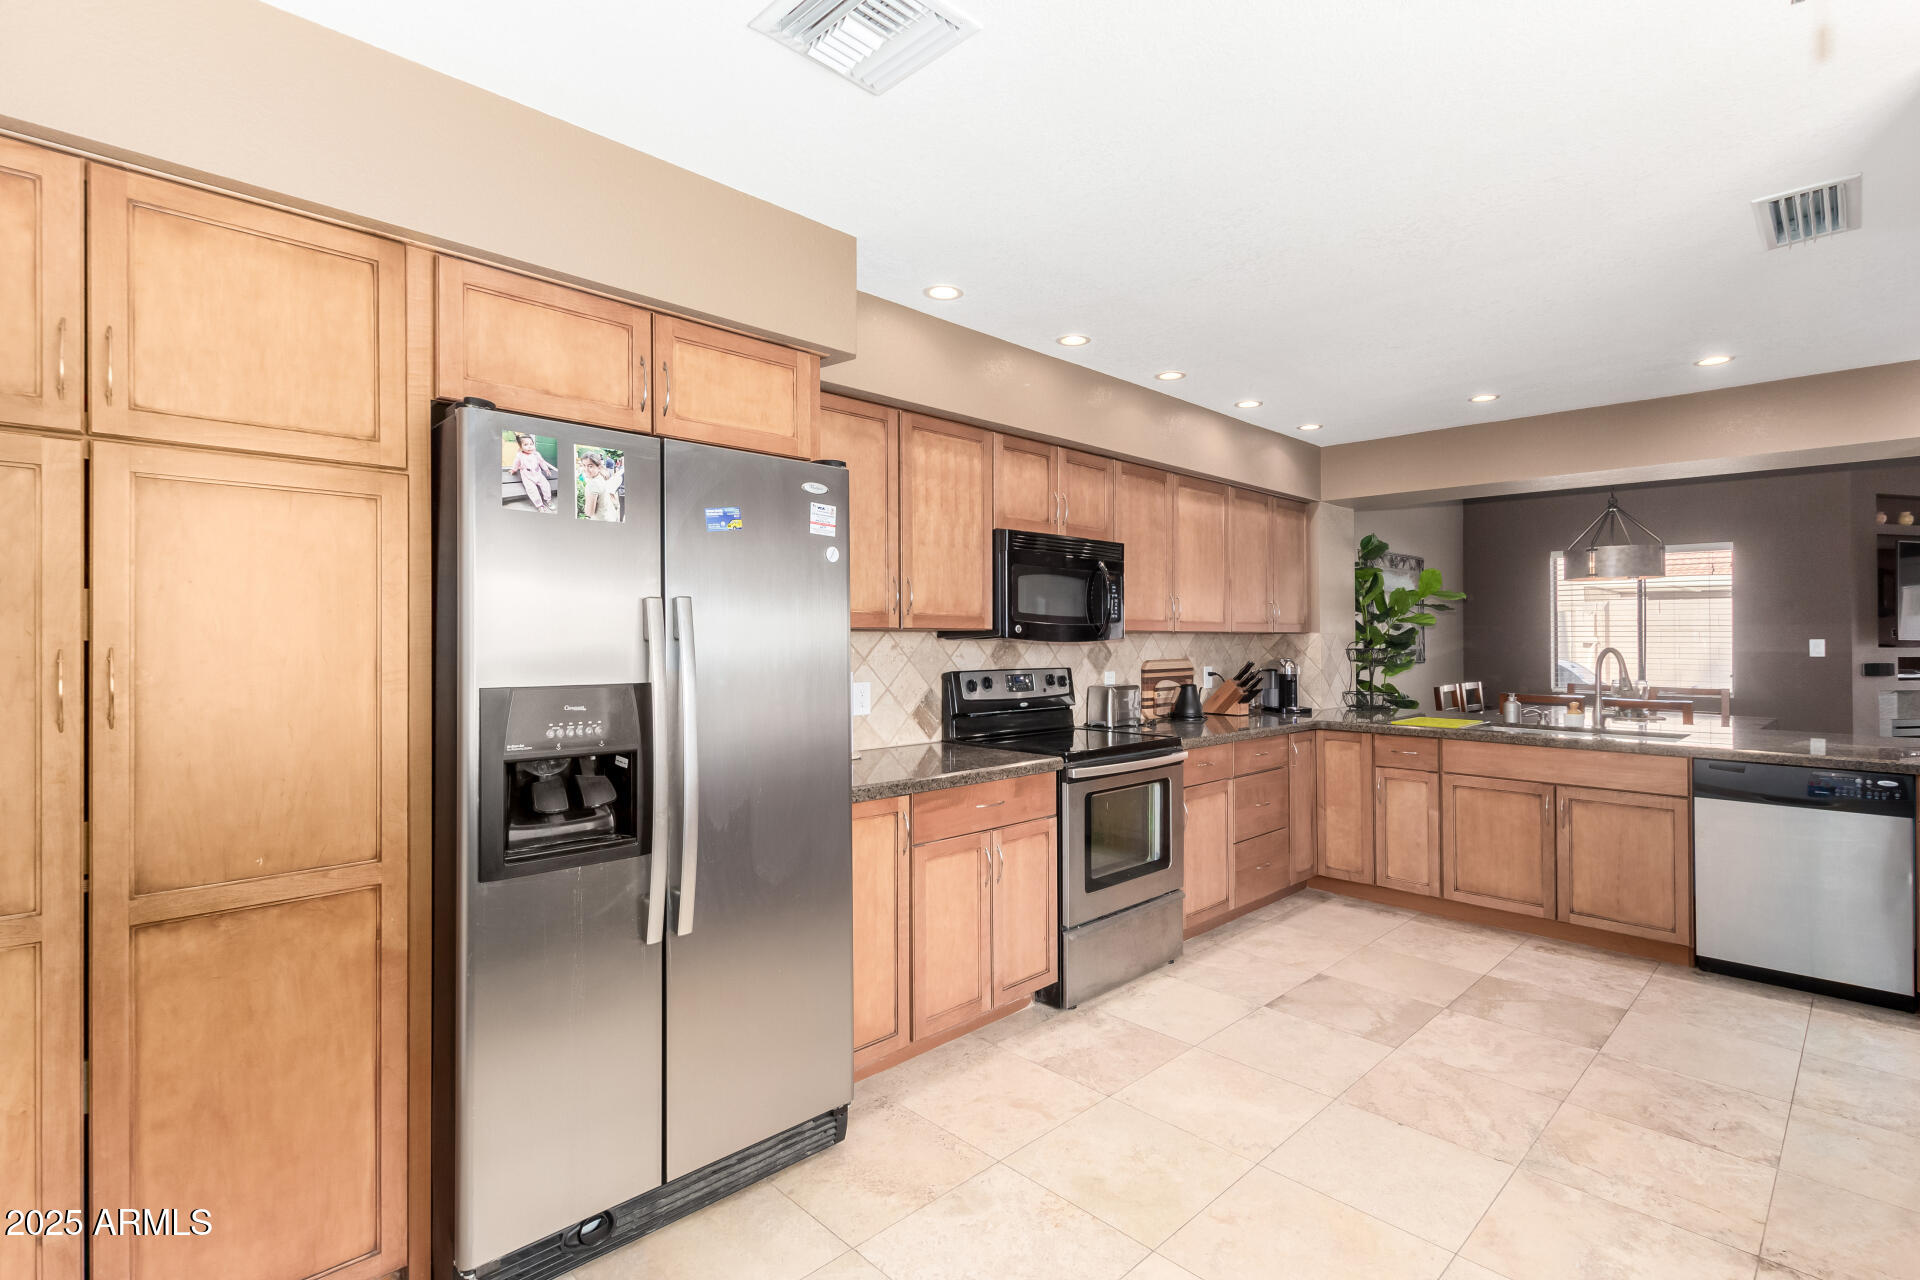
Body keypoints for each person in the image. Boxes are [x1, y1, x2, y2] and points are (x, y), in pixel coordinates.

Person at [508, 433, 559, 511]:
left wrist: (546, 469)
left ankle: (548, 500)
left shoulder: (536, 454)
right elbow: (516, 463)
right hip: (527, 476)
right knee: (532, 490)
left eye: (531, 444)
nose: (529, 446)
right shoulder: (520, 456)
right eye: (525, 444)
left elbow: (541, 462)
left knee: (546, 485)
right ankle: (539, 505)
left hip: (538, 474)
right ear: (520, 447)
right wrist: (514, 470)